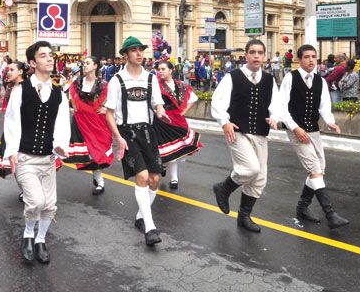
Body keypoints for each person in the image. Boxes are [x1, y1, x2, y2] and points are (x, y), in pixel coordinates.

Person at [2, 41, 71, 264]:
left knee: (50, 204)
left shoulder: (59, 94)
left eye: (50, 55)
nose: (50, 59)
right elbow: (11, 121)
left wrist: (61, 145)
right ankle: (27, 235)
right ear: (33, 63)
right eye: (43, 56)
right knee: (35, 201)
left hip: (48, 158)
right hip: (25, 157)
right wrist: (11, 152)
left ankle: (40, 240)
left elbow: (62, 125)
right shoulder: (21, 90)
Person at [105, 36, 171, 246]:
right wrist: (118, 137)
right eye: (134, 50)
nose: (139, 54)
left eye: (141, 50)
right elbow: (109, 113)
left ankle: (141, 216)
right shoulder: (117, 79)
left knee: (154, 180)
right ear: (125, 55)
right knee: (142, 177)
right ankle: (150, 227)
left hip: (148, 132)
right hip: (128, 133)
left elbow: (157, 104)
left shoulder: (151, 78)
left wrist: (161, 113)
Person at [211, 39, 280, 233]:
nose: (256, 56)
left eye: (260, 52)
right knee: (249, 168)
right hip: (237, 131)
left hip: (260, 132)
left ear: (264, 56)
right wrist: (224, 122)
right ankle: (223, 188)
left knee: (260, 178)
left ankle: (244, 215)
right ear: (246, 56)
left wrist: (274, 117)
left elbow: (276, 104)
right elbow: (218, 102)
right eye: (252, 52)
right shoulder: (233, 77)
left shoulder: (269, 80)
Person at [279, 45, 349, 229]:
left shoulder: (320, 81)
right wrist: (295, 128)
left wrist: (330, 121)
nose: (311, 60)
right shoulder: (290, 78)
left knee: (320, 169)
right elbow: (282, 107)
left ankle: (302, 207)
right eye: (307, 57)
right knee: (315, 169)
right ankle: (330, 214)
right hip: (296, 131)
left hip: (313, 129)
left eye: (313, 57)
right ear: (299, 59)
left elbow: (324, 107)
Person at [65, 56, 113, 195]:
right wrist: (75, 106)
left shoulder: (103, 84)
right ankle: (99, 181)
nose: (84, 65)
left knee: (97, 150)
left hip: (97, 121)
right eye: (83, 63)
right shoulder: (77, 82)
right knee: (88, 151)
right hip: (81, 121)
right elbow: (72, 98)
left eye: (87, 63)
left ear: (95, 66)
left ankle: (98, 178)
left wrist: (106, 109)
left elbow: (112, 101)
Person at [155, 61, 202, 190]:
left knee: (174, 152)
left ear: (170, 70)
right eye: (159, 69)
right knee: (164, 149)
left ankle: (174, 178)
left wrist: (183, 112)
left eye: (163, 69)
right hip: (161, 121)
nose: (160, 71)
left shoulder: (180, 85)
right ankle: (163, 167)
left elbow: (193, 98)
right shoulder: (156, 85)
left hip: (177, 119)